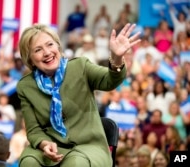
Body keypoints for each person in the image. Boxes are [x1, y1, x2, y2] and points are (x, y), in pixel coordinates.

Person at [16, 22, 141, 167]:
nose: (47, 52)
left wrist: (117, 58)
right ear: (29, 58)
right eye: (38, 50)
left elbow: (110, 81)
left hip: (88, 147)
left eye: (50, 45)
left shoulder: (80, 66)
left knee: (75, 163)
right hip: (51, 148)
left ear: (58, 46)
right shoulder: (25, 86)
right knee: (28, 162)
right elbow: (33, 130)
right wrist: (44, 144)